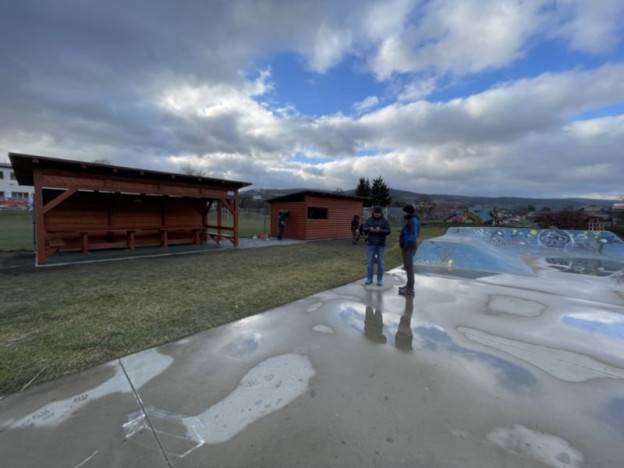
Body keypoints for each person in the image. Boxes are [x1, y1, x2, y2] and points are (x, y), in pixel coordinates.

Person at [363, 206, 391, 286]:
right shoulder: (369, 220)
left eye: (378, 213)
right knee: (370, 263)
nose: (377, 215)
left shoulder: (384, 221)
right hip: (371, 243)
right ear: (373, 213)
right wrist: (368, 229)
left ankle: (379, 280)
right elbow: (364, 228)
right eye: (375, 213)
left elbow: (389, 231)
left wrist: (381, 230)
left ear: (381, 213)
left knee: (380, 263)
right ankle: (369, 279)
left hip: (381, 244)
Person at [398, 204, 420, 296]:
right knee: (407, 266)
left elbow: (414, 233)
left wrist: (407, 243)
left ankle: (410, 289)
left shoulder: (413, 220)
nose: (402, 212)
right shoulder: (410, 218)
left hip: (409, 245)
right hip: (407, 244)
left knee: (409, 267)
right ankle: (408, 286)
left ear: (407, 211)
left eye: (403, 211)